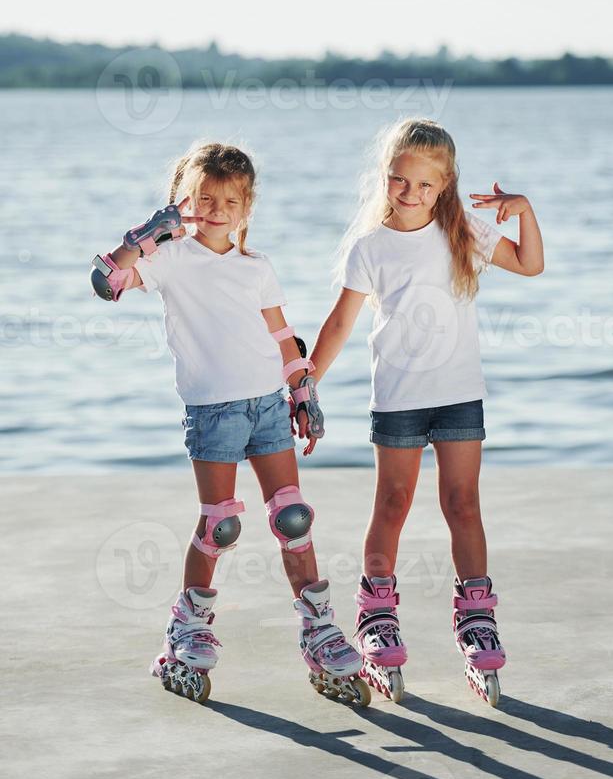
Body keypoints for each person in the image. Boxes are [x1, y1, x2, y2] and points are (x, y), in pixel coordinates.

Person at [90, 142, 369, 705]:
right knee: (220, 525)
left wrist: (303, 391)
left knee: (293, 518)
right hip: (212, 411)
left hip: (267, 405)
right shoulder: (167, 260)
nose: (217, 209)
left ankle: (319, 632)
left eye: (231, 200)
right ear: (183, 200)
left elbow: (283, 337)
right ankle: (186, 630)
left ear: (246, 208)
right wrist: (146, 235)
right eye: (205, 198)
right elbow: (105, 282)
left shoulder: (256, 267)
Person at [308, 119, 544, 705]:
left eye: (423, 184)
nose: (409, 192)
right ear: (385, 179)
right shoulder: (370, 248)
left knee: (463, 504)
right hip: (398, 400)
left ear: (444, 186)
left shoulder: (462, 231)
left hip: (460, 393)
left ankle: (476, 615)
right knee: (392, 502)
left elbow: (531, 264)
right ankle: (377, 614)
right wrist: (306, 380)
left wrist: (525, 211)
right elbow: (341, 322)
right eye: (398, 179)